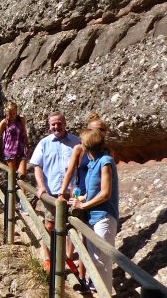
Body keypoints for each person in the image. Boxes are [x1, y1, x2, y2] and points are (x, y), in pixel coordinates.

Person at [57, 112, 109, 292]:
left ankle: (84, 277)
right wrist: (63, 193)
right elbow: (71, 171)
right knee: (75, 233)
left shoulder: (106, 152)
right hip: (80, 195)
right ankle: (72, 267)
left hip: (94, 199)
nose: (100, 132)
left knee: (88, 238)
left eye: (103, 129)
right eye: (96, 129)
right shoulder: (80, 149)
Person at [68, 128, 119, 295]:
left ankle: (105, 293)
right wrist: (80, 199)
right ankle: (99, 291)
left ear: (87, 144)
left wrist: (83, 205)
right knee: (95, 259)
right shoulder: (92, 163)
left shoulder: (105, 162)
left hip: (104, 216)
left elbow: (105, 193)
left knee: (102, 260)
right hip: (93, 217)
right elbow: (92, 192)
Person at [29, 111, 81, 272]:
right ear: (49, 126)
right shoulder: (44, 143)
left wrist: (78, 190)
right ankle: (48, 258)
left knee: (72, 225)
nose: (56, 127)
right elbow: (37, 166)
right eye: (53, 124)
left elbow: (82, 165)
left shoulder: (76, 142)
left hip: (73, 191)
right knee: (49, 224)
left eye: (59, 123)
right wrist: (41, 186)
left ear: (65, 123)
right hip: (51, 192)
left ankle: (68, 258)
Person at [0, 101, 28, 176]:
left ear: (16, 112)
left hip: (21, 150)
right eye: (10, 113)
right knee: (13, 176)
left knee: (23, 175)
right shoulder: (4, 122)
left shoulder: (21, 119)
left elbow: (24, 134)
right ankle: (13, 187)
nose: (12, 115)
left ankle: (21, 187)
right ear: (6, 112)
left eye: (14, 113)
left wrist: (28, 147)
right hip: (10, 152)